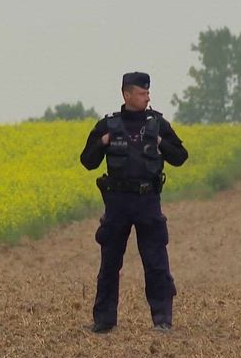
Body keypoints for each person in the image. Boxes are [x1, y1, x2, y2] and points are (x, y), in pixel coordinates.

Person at [79, 72, 188, 333]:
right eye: (142, 93)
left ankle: (162, 319)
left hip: (148, 201)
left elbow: (180, 156)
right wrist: (103, 142)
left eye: (147, 93)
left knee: (156, 263)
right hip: (117, 202)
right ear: (127, 94)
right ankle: (104, 321)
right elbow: (87, 161)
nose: (147, 97)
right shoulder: (108, 125)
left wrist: (160, 142)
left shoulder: (157, 124)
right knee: (109, 264)